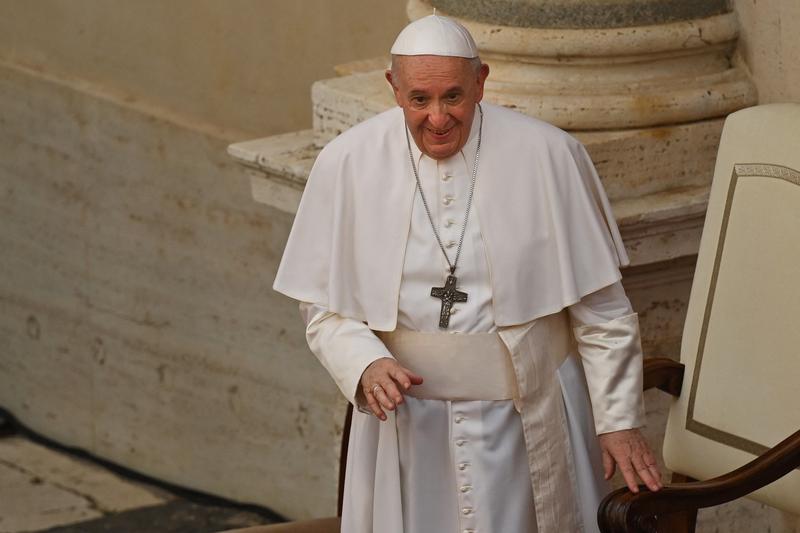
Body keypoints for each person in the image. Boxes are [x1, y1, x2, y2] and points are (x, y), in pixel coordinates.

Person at [274, 13, 662, 533]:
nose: (437, 118)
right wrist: (363, 363)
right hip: (408, 431)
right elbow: (322, 306)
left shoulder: (549, 155)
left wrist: (617, 420)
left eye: (453, 97)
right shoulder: (347, 163)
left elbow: (602, 310)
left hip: (530, 426)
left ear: (481, 81)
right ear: (393, 89)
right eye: (419, 100)